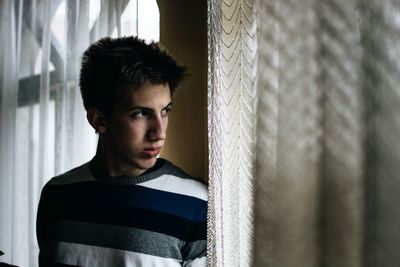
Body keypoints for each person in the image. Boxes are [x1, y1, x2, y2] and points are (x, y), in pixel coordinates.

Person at [36, 36, 207, 267]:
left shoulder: (195, 203)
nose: (159, 132)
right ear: (99, 120)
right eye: (141, 113)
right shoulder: (57, 195)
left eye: (165, 110)